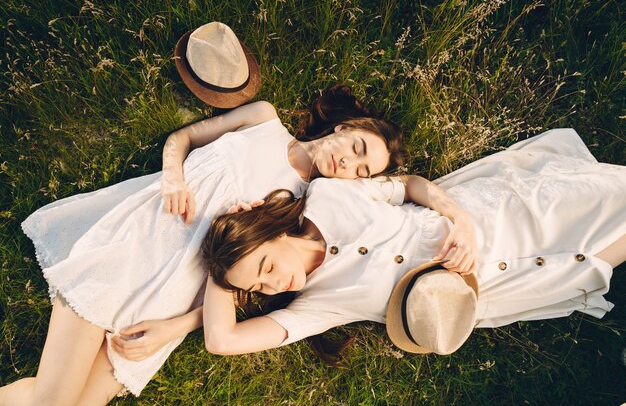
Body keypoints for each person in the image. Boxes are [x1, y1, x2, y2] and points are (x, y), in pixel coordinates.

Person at [0, 78, 414, 405]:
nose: (348, 164)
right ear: (345, 128)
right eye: (357, 148)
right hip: (132, 249)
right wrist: (172, 177)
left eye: (361, 171)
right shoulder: (264, 120)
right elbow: (182, 139)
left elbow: (243, 284)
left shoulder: (303, 211)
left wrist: (173, 328)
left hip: (169, 301)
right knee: (52, 401)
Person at [200, 128, 626, 360]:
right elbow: (222, 341)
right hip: (501, 281)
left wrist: (459, 219)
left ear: (272, 233)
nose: (272, 286)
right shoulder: (318, 305)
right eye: (258, 289)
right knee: (592, 262)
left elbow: (409, 186)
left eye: (266, 268)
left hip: (492, 216)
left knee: (610, 194)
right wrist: (222, 272)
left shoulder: (330, 194)